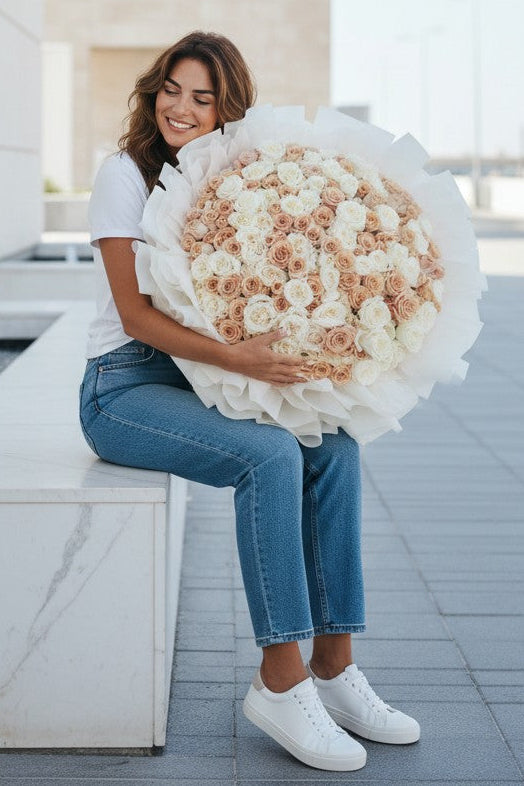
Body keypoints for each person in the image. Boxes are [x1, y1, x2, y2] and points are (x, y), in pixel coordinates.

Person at [79, 30, 420, 772]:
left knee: (332, 443)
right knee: (267, 456)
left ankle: (334, 664)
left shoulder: (233, 174)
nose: (180, 107)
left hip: (202, 375)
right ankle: (279, 676)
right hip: (125, 385)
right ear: (154, 89)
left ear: (225, 108)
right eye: (172, 88)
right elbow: (136, 318)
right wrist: (240, 357)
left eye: (201, 97)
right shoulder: (125, 173)